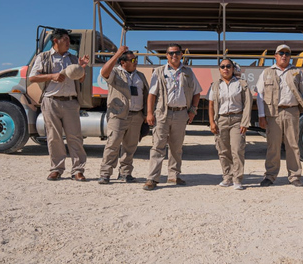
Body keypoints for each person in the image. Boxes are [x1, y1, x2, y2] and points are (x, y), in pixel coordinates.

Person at [28, 29, 90, 181]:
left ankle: (77, 170)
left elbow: (80, 80)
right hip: (51, 101)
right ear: (56, 40)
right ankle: (56, 169)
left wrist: (81, 68)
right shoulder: (43, 57)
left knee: (75, 137)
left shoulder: (73, 58)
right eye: (66, 40)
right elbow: (32, 77)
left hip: (70, 101)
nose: (69, 43)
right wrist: (52, 76)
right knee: (54, 137)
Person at [143, 43, 202, 191]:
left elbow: (197, 92)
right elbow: (152, 94)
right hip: (163, 113)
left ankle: (173, 176)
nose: (173, 56)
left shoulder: (188, 72)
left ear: (181, 54)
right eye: (170, 53)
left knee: (177, 147)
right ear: (166, 55)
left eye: (176, 53)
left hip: (181, 113)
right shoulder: (159, 72)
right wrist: (150, 113)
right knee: (158, 145)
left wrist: (192, 111)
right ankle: (152, 178)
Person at [256, 44, 303, 187]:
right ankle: (270, 176)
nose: (284, 56)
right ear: (275, 56)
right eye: (281, 53)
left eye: (287, 53)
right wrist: (261, 115)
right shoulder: (267, 72)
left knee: (292, 145)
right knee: (273, 146)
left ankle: (294, 176)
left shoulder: (296, 72)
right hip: (272, 113)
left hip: (291, 111)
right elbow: (260, 95)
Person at [97, 46, 149, 184]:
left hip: (136, 115)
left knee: (130, 146)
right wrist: (117, 54)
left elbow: (146, 95)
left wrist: (145, 114)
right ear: (123, 62)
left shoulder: (140, 76)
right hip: (118, 115)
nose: (135, 61)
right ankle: (105, 174)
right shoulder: (115, 73)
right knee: (112, 144)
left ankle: (125, 173)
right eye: (132, 59)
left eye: (136, 59)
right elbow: (103, 72)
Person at [208, 58, 252, 190]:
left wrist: (245, 122)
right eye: (222, 66)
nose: (225, 69)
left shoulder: (241, 84)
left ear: (233, 68)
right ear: (219, 69)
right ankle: (227, 177)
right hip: (221, 120)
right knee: (223, 150)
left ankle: (237, 179)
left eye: (228, 66)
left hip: (237, 120)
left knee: (237, 149)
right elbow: (211, 105)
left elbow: (248, 104)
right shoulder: (215, 85)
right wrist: (212, 122)